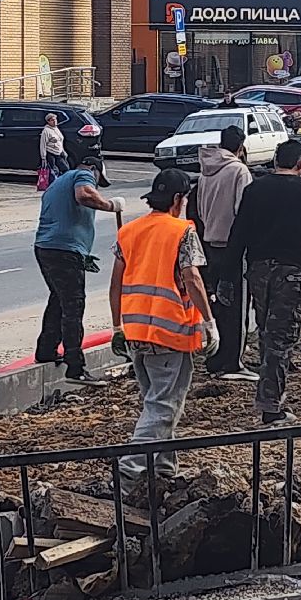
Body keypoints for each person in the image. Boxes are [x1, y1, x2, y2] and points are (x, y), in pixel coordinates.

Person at [109, 168, 219, 486]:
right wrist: (209, 322)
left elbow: (116, 283)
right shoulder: (181, 231)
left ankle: (163, 468)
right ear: (177, 199)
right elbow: (192, 278)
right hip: (169, 334)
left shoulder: (129, 232)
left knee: (156, 402)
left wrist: (117, 327)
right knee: (162, 407)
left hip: (136, 334)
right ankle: (128, 472)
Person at [220, 140, 301, 425]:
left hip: (259, 272)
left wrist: (227, 277)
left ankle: (271, 390)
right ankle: (271, 405)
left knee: (266, 332)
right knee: (281, 337)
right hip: (292, 272)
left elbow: (237, 235)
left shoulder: (255, 190)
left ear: (275, 162)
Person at [34, 154, 123, 386]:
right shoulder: (82, 174)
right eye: (97, 179)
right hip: (64, 250)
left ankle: (46, 349)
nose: (96, 184)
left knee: (59, 300)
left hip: (47, 247)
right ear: (93, 169)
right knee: (74, 305)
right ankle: (75, 367)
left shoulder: (57, 183)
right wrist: (109, 205)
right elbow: (84, 195)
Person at [194, 124, 257, 382]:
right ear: (240, 147)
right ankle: (233, 361)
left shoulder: (204, 173)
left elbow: (198, 209)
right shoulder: (239, 171)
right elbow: (245, 210)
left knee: (218, 302)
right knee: (238, 305)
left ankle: (216, 354)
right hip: (232, 246)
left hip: (210, 243)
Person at [40, 113, 69, 179]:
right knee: (54, 170)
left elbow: (60, 141)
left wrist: (63, 151)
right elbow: (43, 144)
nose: (54, 121)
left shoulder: (56, 129)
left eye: (55, 119)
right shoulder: (46, 131)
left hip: (59, 152)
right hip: (51, 153)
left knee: (65, 168)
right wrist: (43, 157)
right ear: (48, 121)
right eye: (52, 120)